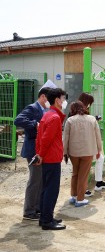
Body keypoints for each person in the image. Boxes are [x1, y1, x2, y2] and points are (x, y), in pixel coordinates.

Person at [14, 87, 51, 221]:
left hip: (39, 149)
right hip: (32, 149)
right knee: (35, 180)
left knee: (40, 179)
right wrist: (34, 124)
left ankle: (37, 208)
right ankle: (29, 211)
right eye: (48, 98)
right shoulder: (32, 108)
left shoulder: (44, 110)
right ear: (42, 97)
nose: (49, 101)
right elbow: (18, 120)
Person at [35, 88, 67, 230]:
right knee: (51, 190)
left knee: (46, 189)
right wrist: (40, 154)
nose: (64, 101)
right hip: (52, 158)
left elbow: (39, 137)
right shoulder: (54, 117)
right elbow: (46, 139)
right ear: (57, 100)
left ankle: (45, 217)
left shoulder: (48, 115)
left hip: (48, 157)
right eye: (63, 98)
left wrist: (39, 154)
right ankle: (47, 220)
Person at [64, 101, 103, 207]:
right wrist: (99, 150)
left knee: (75, 173)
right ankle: (80, 199)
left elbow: (66, 138)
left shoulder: (70, 120)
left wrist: (65, 152)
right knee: (83, 175)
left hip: (73, 151)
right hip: (88, 151)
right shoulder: (92, 119)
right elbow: (98, 137)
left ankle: (74, 196)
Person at [78, 92, 105, 196]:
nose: (89, 105)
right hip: (82, 144)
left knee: (100, 158)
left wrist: (94, 119)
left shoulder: (84, 111)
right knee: (84, 165)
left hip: (89, 142)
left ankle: (99, 182)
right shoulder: (76, 111)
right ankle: (82, 189)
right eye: (89, 103)